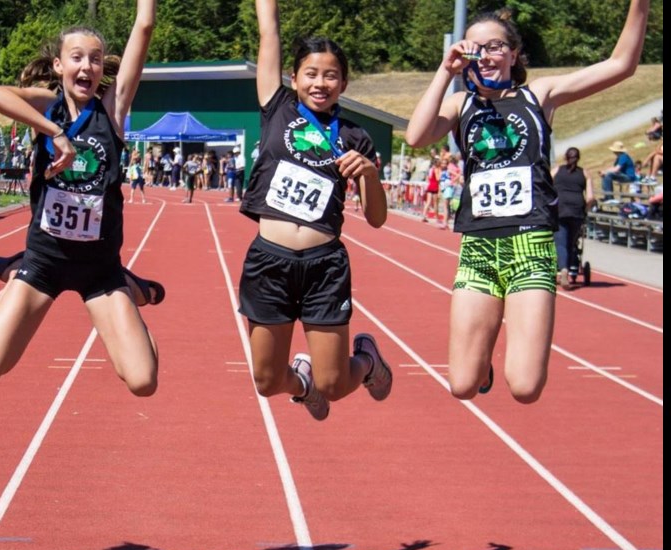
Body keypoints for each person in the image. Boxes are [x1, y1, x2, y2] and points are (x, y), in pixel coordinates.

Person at [406, 0, 649, 403]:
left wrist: (639, 5)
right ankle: (479, 356)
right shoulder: (461, 103)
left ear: (513, 53)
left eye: (495, 47)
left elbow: (621, 64)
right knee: (462, 385)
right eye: (473, 48)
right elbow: (416, 137)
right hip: (479, 248)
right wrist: (444, 72)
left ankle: (499, 341)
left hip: (530, 248)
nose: (483, 56)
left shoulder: (539, 94)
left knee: (524, 387)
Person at [0, 1, 160, 399]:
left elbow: (144, 26)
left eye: (94, 59)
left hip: (100, 268)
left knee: (143, 382)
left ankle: (128, 286)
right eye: (76, 58)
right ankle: (15, 272)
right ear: (59, 66)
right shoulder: (47, 105)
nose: (87, 67)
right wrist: (52, 132)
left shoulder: (113, 110)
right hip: (44, 261)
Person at [236, 0, 392, 422]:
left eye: (331, 75)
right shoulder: (276, 107)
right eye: (311, 73)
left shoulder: (356, 137)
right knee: (267, 381)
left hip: (324, 265)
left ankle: (368, 362)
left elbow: (377, 218)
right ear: (294, 77)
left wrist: (370, 176)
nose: (320, 82)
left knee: (335, 385)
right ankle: (300, 384)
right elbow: (269, 30)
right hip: (270, 261)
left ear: (343, 82)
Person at [553, 147, 594, 290]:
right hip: (577, 210)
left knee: (560, 243)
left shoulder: (557, 170)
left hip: (560, 209)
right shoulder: (585, 173)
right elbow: (590, 197)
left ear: (565, 157)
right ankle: (571, 267)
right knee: (572, 242)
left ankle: (563, 269)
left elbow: (545, 188)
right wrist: (585, 210)